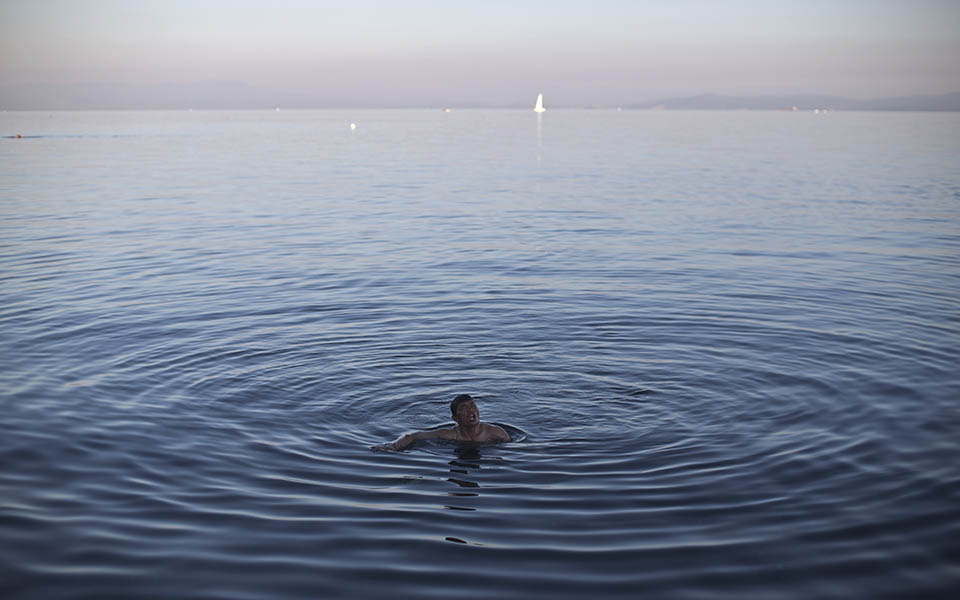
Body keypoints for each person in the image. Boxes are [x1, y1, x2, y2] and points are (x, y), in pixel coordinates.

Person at [371, 394, 510, 452]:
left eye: (473, 405)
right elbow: (412, 436)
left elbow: (511, 448)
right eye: (464, 408)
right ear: (455, 418)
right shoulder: (450, 434)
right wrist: (392, 446)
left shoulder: (495, 432)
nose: (471, 410)